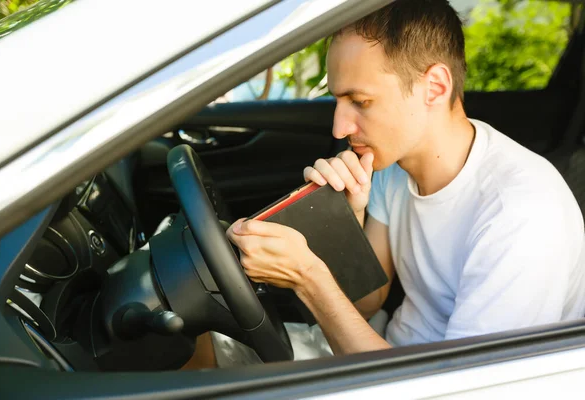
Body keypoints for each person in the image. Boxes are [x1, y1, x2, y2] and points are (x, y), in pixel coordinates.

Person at [185, 0, 585, 368]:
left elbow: (459, 388)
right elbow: (367, 302)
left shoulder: (521, 213)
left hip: (423, 382)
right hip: (386, 354)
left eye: (360, 102)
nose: (340, 127)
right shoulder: (395, 168)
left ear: (435, 87)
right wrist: (347, 224)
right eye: (338, 101)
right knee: (193, 344)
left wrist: (308, 276)